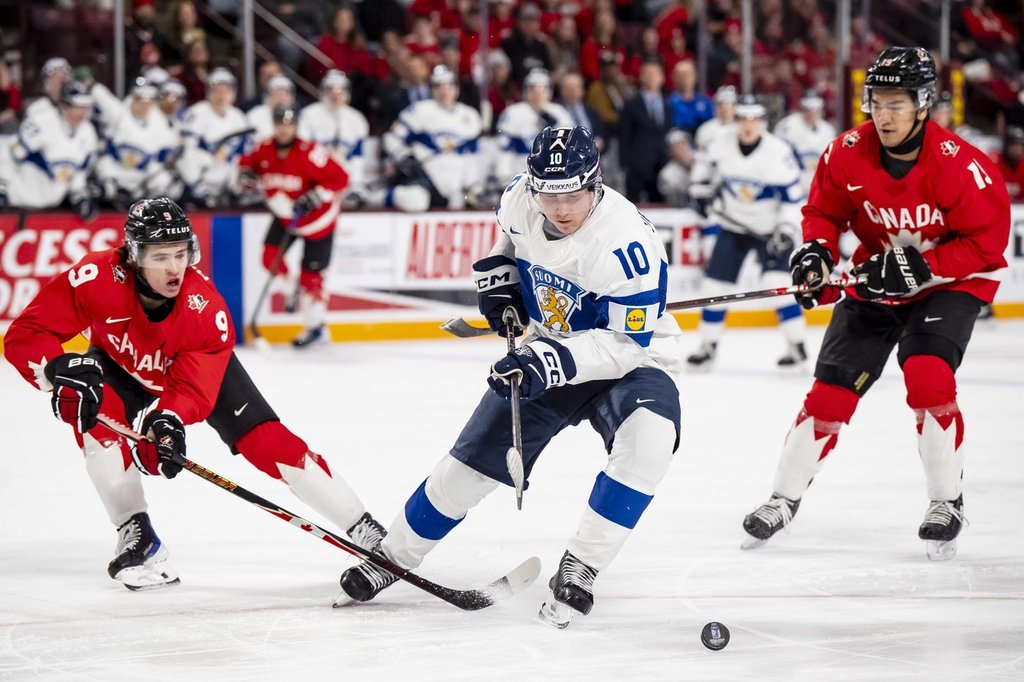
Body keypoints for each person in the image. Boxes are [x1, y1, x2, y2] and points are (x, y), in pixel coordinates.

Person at [334, 127, 684, 629]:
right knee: (471, 464)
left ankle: (582, 565)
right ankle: (393, 556)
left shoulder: (627, 243)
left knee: (650, 441)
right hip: (547, 344)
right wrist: (501, 280)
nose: (560, 208)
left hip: (631, 361)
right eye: (548, 193)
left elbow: (623, 344)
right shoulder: (521, 198)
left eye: (573, 195)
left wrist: (546, 362)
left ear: (596, 185)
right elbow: (509, 240)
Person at [2, 197, 386, 591]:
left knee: (267, 441)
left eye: (181, 254)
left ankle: (366, 529)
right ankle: (138, 534)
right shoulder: (95, 277)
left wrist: (166, 421)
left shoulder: (205, 311)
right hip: (119, 364)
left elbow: (191, 388)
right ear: (134, 256)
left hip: (187, 370)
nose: (174, 267)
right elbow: (26, 335)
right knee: (95, 421)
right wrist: (57, 369)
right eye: (161, 256)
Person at [740, 47, 1009, 561]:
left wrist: (920, 267)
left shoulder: (962, 166)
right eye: (875, 102)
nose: (882, 116)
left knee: (928, 375)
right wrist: (816, 255)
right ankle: (784, 497)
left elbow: (986, 244)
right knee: (829, 393)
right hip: (876, 277)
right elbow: (822, 211)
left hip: (950, 283)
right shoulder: (844, 151)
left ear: (923, 103)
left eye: (895, 104)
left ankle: (945, 501)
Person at [686, 94, 808, 369]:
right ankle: (707, 346)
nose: (748, 125)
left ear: (763, 121)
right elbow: (702, 168)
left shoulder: (778, 152)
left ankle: (797, 345)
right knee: (714, 287)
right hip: (734, 225)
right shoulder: (721, 140)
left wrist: (787, 231)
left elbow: (793, 200)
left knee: (776, 284)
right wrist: (699, 189)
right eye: (743, 118)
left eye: (754, 119)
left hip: (771, 229)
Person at [239, 105, 349, 347]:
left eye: (289, 124)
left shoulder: (310, 152)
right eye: (280, 123)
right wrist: (246, 173)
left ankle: (315, 327)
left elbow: (341, 177)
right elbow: (248, 163)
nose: (284, 129)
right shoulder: (264, 147)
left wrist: (318, 195)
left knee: (311, 279)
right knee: (269, 257)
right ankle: (291, 289)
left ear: (296, 125)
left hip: (318, 221)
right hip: (286, 215)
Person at [380, 65, 483, 211]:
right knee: (416, 202)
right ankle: (382, 195)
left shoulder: (470, 116)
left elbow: (471, 156)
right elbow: (391, 138)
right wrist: (404, 156)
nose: (444, 90)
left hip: (454, 184)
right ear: (432, 89)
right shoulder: (419, 110)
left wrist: (473, 186)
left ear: (456, 88)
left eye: (448, 85)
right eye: (438, 86)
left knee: (461, 203)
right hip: (425, 177)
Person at [0, 82, 98, 220]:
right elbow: (9, 154)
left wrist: (79, 196)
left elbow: (77, 170)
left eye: (85, 107)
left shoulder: (88, 132)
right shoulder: (41, 123)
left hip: (51, 209)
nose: (81, 113)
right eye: (76, 107)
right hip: (16, 204)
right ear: (64, 106)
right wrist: (2, 187)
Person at [92, 79, 183, 209]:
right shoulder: (119, 114)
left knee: (165, 181)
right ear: (133, 99)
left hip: (140, 181)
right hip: (114, 175)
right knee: (104, 170)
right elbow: (101, 96)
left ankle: (153, 211)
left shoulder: (160, 125)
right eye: (141, 100)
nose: (144, 105)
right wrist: (90, 83)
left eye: (149, 101)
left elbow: (164, 157)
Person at [176, 68, 251, 209]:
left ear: (233, 93)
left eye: (225, 91)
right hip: (203, 172)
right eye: (217, 91)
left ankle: (240, 195)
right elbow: (186, 149)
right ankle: (197, 194)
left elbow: (245, 151)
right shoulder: (196, 112)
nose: (221, 95)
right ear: (209, 92)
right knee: (189, 155)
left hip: (226, 172)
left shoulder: (239, 117)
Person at [298, 69, 371, 205]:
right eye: (331, 89)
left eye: (340, 90)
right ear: (323, 90)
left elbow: (357, 157)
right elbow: (302, 151)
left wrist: (356, 184)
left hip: (345, 181)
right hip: (317, 178)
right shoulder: (308, 115)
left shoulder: (357, 119)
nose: (336, 95)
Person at [495, 68, 572, 182]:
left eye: (542, 89)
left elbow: (568, 148)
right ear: (526, 91)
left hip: (553, 173)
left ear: (549, 91)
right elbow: (504, 149)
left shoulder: (559, 113)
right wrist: (505, 178)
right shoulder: (513, 113)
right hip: (522, 172)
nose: (537, 94)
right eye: (533, 89)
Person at [618, 61, 671, 203]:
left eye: (655, 74)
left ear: (662, 78)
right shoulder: (631, 104)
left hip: (661, 165)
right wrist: (624, 165)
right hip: (637, 166)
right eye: (648, 74)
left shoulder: (668, 104)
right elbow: (624, 136)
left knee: (660, 205)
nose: (652, 77)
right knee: (632, 207)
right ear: (641, 77)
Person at [773, 89, 837, 192]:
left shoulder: (827, 130)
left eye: (815, 109)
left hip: (819, 188)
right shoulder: (787, 127)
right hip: (793, 185)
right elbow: (777, 159)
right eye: (808, 109)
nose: (812, 114)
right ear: (801, 108)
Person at [246, 74, 295, 143]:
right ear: (268, 96)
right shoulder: (255, 114)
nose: (280, 99)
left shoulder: (295, 115)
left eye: (283, 94)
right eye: (276, 94)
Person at [693, 85, 737, 155]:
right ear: (714, 106)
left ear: (735, 107)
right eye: (720, 104)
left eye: (728, 104)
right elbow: (699, 154)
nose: (724, 108)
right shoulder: (705, 129)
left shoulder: (740, 129)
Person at [992, 125, 1023, 202]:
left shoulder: (1022, 166)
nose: (1016, 150)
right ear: (1006, 146)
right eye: (1013, 146)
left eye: (1019, 146)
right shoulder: (994, 162)